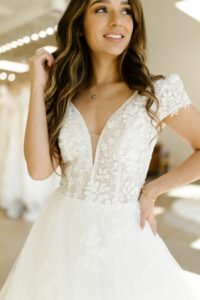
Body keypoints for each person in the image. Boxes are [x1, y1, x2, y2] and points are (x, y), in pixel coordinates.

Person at [0, 0, 200, 299]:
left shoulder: (155, 93)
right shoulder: (63, 94)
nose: (117, 21)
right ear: (79, 24)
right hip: (62, 228)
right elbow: (39, 170)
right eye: (102, 9)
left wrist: (151, 191)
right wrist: (38, 88)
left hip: (126, 233)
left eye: (126, 10)